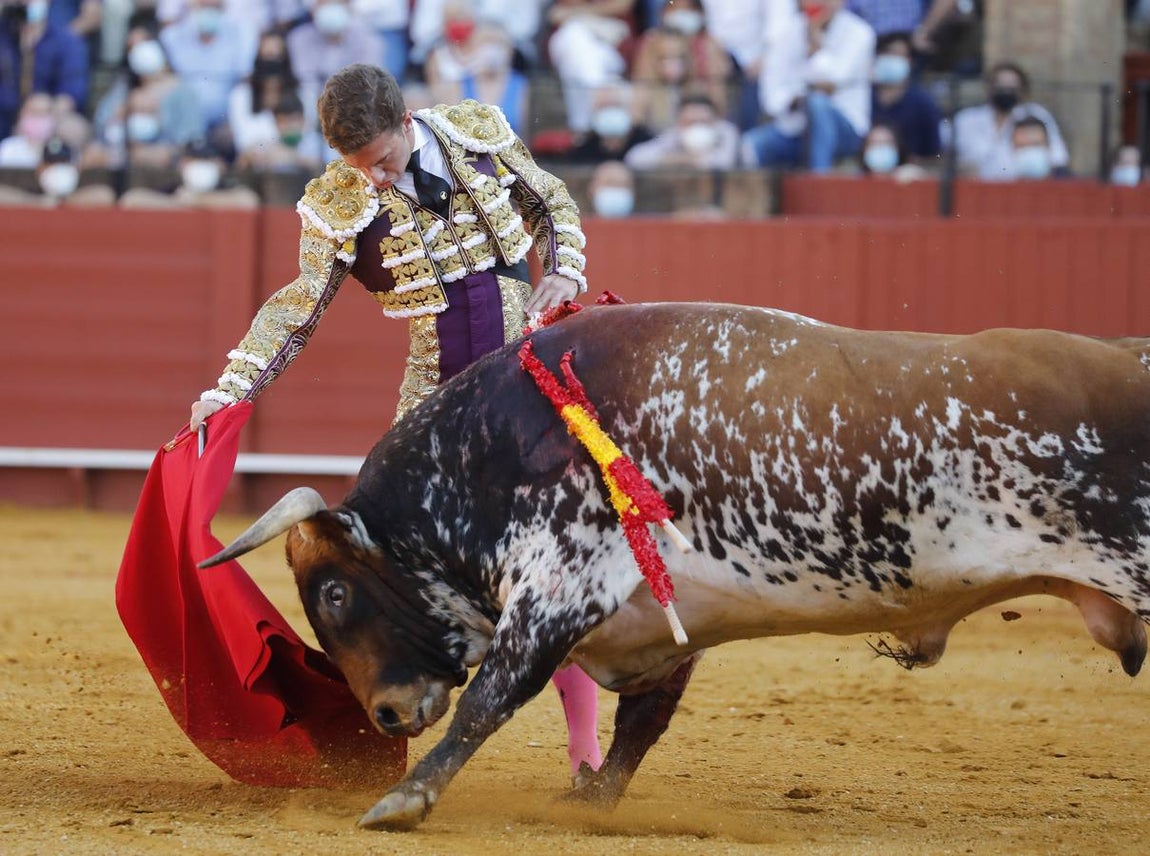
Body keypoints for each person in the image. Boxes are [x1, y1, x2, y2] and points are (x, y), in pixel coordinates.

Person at [185, 63, 602, 780]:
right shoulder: (338, 198)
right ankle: (372, 729)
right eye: (358, 168)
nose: (373, 180)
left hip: (523, 377)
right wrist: (230, 390)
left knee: (555, 562)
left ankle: (587, 754)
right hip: (431, 403)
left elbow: (549, 200)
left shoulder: (475, 136)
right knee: (384, 569)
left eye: (382, 161)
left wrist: (562, 265)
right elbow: (297, 308)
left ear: (407, 125)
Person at [742, 0, 876, 173]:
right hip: (796, 127)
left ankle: (818, 183)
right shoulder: (787, 32)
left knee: (818, 105)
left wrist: (815, 45)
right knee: (752, 144)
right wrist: (796, 100)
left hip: (846, 129)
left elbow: (834, 78)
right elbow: (771, 95)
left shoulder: (860, 32)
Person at [950, 60, 1070, 182]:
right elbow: (939, 156)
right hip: (974, 191)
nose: (1005, 92)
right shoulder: (966, 120)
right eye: (1000, 87)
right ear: (989, 88)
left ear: (1022, 90)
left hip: (1022, 190)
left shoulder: (1036, 115)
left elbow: (1058, 157)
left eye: (1011, 88)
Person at [870, 31, 941, 164]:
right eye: (888, 53)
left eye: (899, 55)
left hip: (910, 177)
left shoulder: (923, 103)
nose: (892, 59)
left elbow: (935, 155)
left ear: (911, 62)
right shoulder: (863, 98)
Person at [624, 92, 742, 172]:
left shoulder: (726, 132)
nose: (697, 127)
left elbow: (724, 164)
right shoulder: (674, 135)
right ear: (680, 123)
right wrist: (676, 159)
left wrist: (696, 160)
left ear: (715, 121)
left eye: (703, 122)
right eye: (690, 122)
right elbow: (635, 158)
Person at [1007, 115, 1070, 182]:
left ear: (1048, 146)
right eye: (1022, 146)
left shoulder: (1071, 184)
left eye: (1035, 145)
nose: (1029, 153)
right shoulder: (1003, 185)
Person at [857, 121, 927, 180]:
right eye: (875, 143)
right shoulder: (855, 179)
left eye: (887, 143)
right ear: (864, 150)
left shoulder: (911, 176)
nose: (881, 148)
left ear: (898, 149)